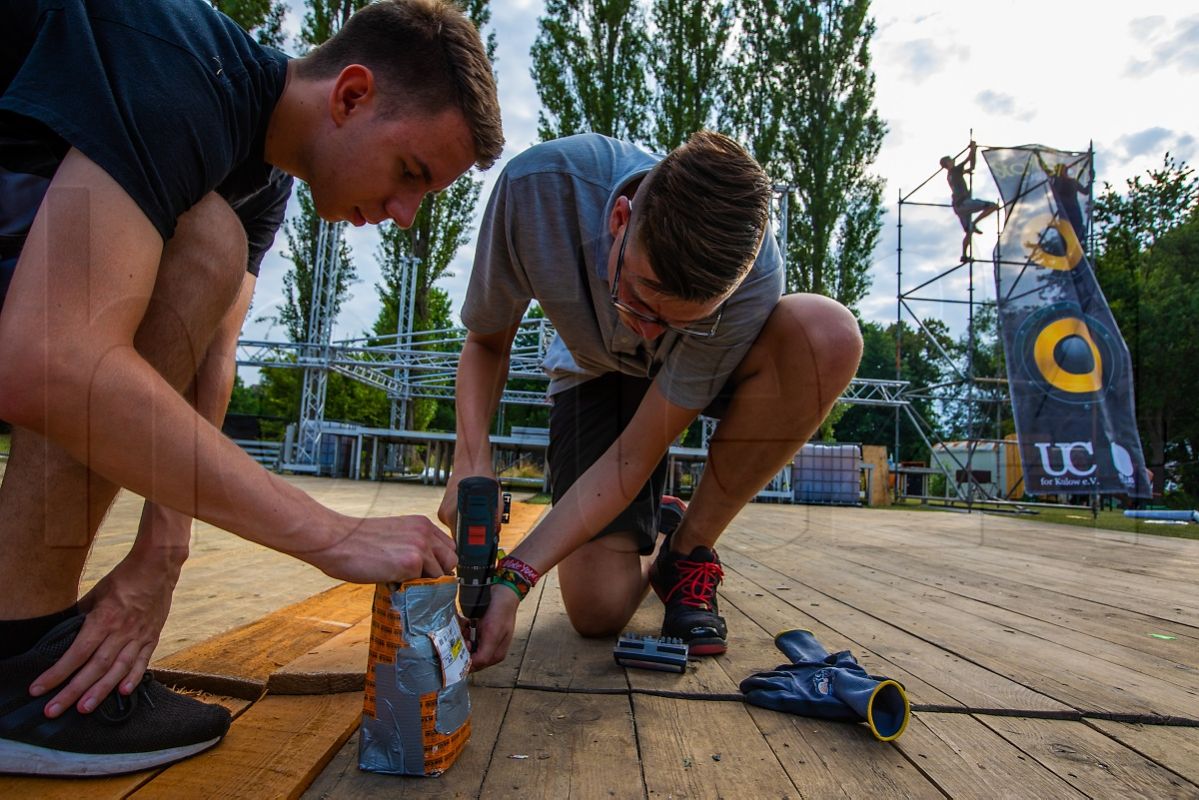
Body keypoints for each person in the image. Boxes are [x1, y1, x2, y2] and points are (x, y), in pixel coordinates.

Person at [0, 0, 502, 777]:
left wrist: (162, 551)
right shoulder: (178, 65)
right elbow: (50, 363)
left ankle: (19, 643)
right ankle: (17, 656)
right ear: (350, 95)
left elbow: (207, 350)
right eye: (410, 174)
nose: (406, 216)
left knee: (205, 245)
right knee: (201, 240)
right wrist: (330, 533)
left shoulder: (261, 179)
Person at [438, 132, 862, 670]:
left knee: (825, 334)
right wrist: (470, 460)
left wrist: (513, 577)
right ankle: (656, 520)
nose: (647, 333)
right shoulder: (537, 191)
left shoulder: (752, 278)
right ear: (619, 219)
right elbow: (486, 342)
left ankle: (686, 550)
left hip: (685, 384)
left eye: (681, 321)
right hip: (593, 369)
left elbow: (633, 455)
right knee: (598, 611)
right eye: (636, 298)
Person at [940, 144, 999, 262]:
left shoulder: (951, 175)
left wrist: (974, 151)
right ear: (948, 164)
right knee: (993, 206)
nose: (953, 160)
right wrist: (973, 149)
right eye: (951, 160)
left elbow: (971, 167)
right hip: (964, 203)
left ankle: (964, 255)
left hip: (958, 206)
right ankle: (975, 223)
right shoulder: (955, 170)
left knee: (968, 232)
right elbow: (968, 159)